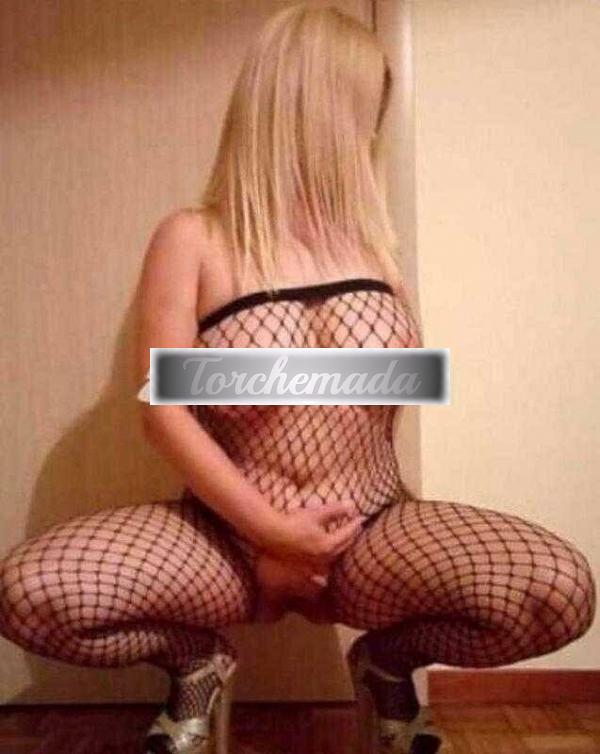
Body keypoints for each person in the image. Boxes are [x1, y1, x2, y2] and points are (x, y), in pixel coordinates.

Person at [0, 4, 596, 754]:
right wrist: (271, 531)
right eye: (365, 104)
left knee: (554, 592)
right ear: (315, 105)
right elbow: (163, 409)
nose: (371, 128)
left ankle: (386, 664)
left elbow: (392, 400)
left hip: (369, 529)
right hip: (225, 539)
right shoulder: (194, 239)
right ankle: (196, 665)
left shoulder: (377, 248)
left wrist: (330, 520)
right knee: (32, 597)